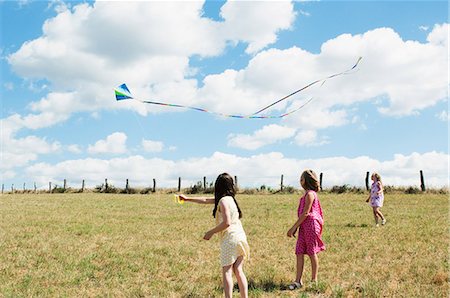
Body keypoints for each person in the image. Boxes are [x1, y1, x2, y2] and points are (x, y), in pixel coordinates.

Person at [179, 173, 250, 298]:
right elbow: (206, 200)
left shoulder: (222, 201)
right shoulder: (230, 199)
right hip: (241, 237)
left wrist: (211, 232)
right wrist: (187, 199)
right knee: (238, 270)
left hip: (230, 239)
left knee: (227, 272)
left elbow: (227, 222)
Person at [287, 169, 325, 289]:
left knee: (311, 252)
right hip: (304, 226)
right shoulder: (307, 194)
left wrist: (293, 227)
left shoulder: (310, 194)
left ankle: (314, 280)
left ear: (306, 181)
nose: (300, 181)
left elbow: (306, 213)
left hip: (311, 226)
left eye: (301, 179)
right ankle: (298, 281)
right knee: (299, 251)